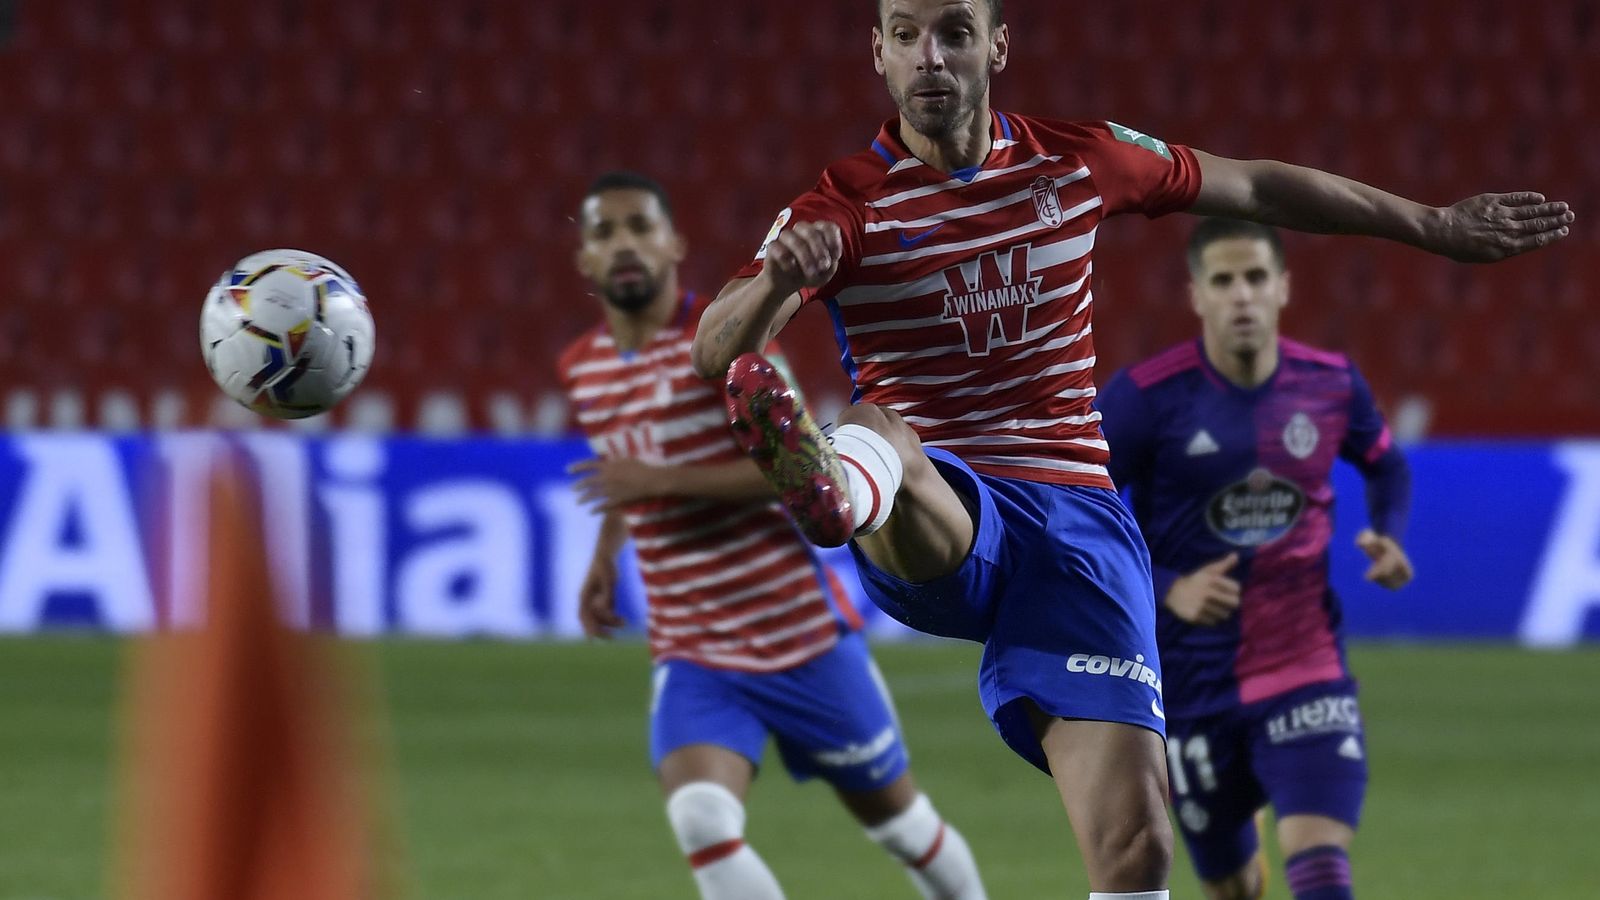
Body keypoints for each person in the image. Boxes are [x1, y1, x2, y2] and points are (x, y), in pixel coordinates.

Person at [686, 2, 1572, 898]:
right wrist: (775, 283)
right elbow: (717, 348)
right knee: (886, 434)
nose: (931, 57)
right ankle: (838, 491)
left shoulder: (1078, 160)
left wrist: (1432, 226)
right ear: (878, 52)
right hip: (942, 504)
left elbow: (1256, 190)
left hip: (1076, 518)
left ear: (997, 45)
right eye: (907, 35)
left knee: (1138, 844)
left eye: (954, 32)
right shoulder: (842, 204)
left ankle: (848, 483)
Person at [557, 171, 987, 900]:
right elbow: (629, 469)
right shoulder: (584, 367)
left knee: (905, 829)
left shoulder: (726, 339)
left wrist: (658, 481)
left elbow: (804, 470)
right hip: (694, 649)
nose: (624, 244)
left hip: (802, 640)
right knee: (702, 820)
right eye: (605, 232)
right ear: (584, 260)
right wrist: (605, 555)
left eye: (639, 227)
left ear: (673, 244)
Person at [1097, 218, 1413, 900]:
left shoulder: (1331, 385)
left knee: (1319, 862)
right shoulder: (1146, 398)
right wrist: (1167, 586)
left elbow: (1387, 465)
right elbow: (1078, 511)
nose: (1241, 294)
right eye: (1223, 280)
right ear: (1197, 294)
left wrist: (1389, 533)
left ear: (1283, 287)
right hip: (1191, 684)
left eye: (1255, 277)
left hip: (1305, 667)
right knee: (1233, 886)